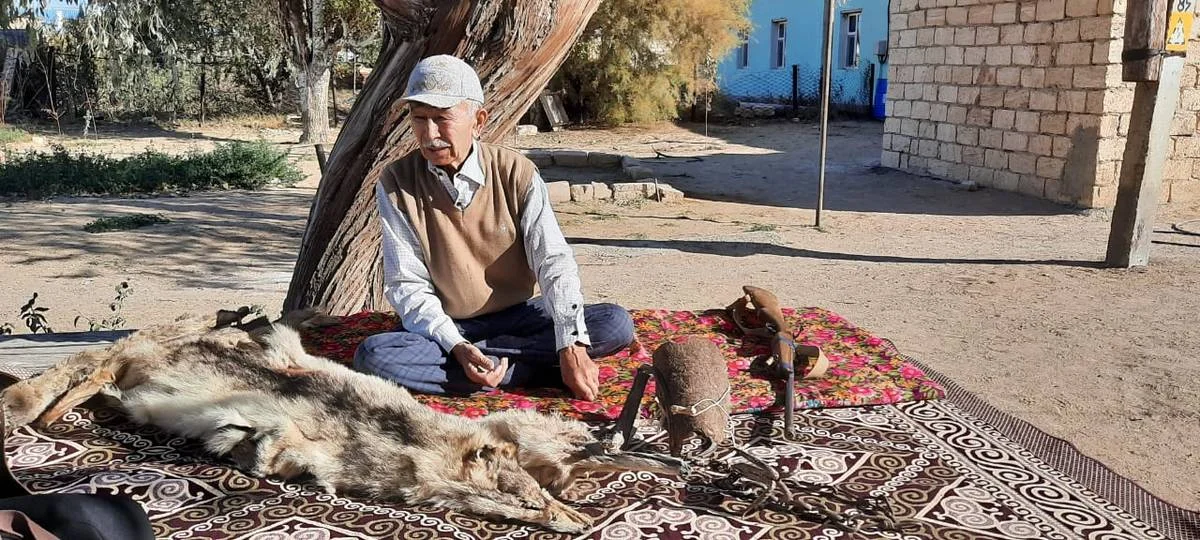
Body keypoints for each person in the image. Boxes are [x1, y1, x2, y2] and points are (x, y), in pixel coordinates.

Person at [353, 55, 635, 401]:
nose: (429, 134)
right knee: (374, 356)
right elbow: (407, 285)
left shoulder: (516, 173)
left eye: (442, 119)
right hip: (448, 326)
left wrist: (571, 345)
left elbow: (553, 262)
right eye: (419, 119)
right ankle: (527, 370)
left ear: (478, 120)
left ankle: (501, 370)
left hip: (522, 316)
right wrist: (457, 346)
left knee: (615, 322)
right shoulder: (396, 182)